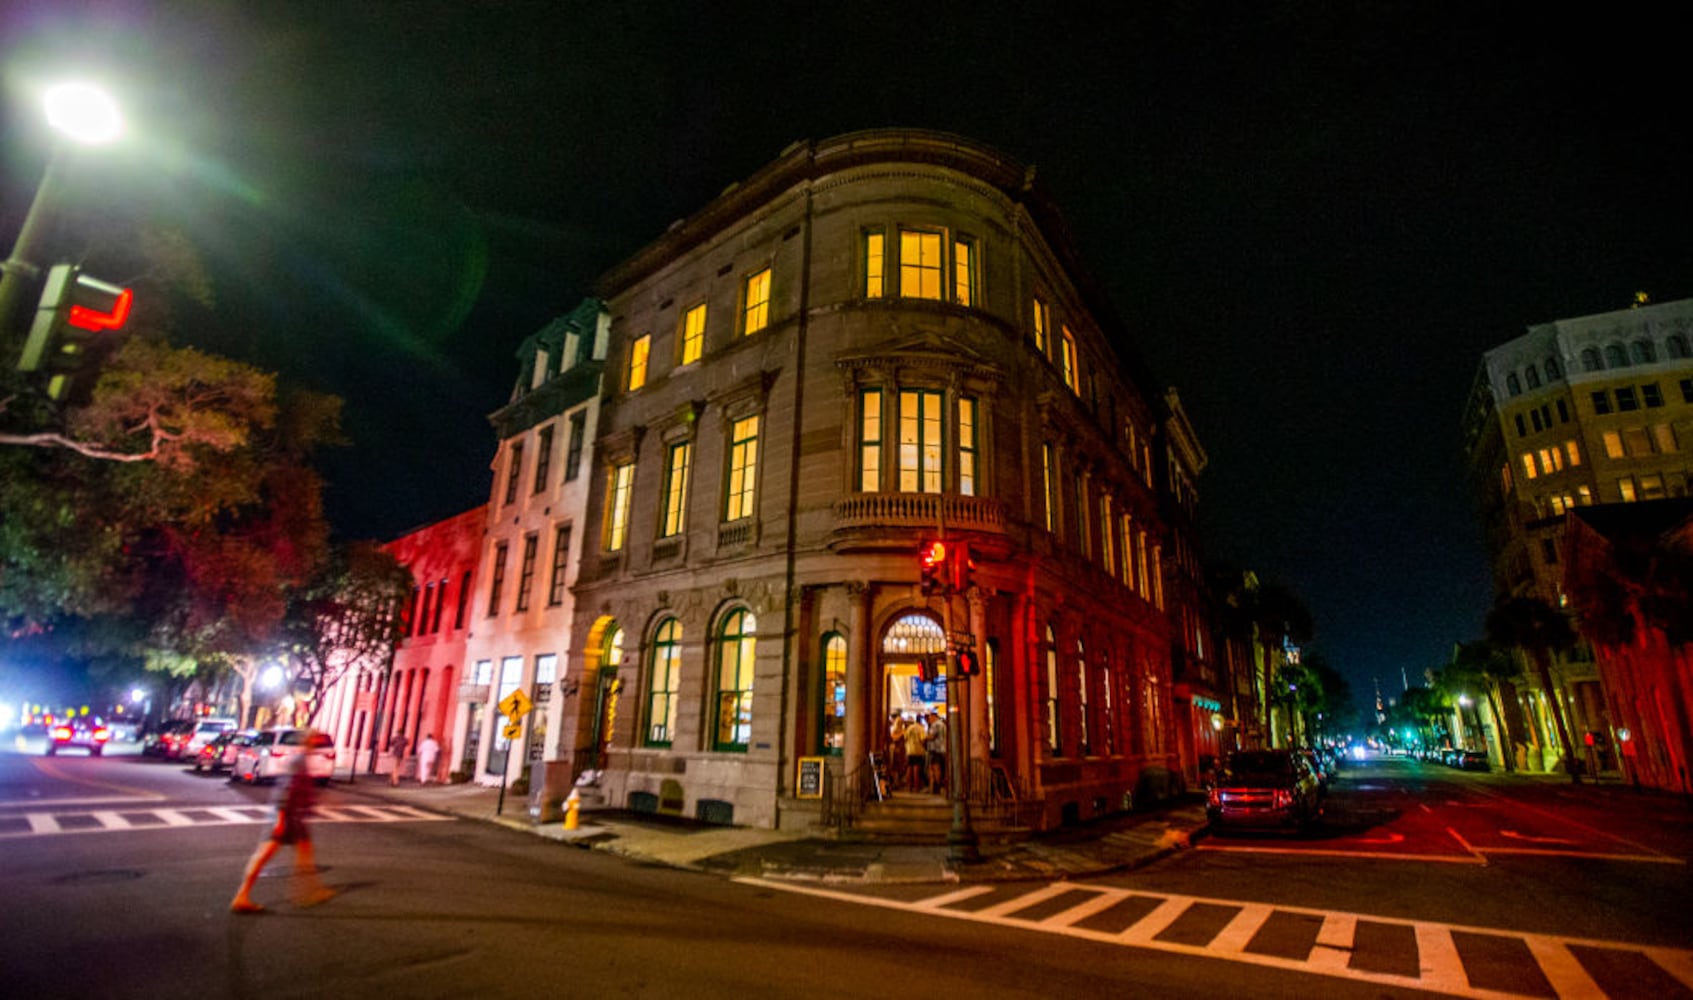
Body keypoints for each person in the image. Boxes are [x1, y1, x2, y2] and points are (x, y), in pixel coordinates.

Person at [230, 741, 335, 913]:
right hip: (287, 817)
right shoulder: (297, 762)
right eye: (316, 741)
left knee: (305, 853)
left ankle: (309, 891)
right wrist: (280, 818)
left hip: (294, 817)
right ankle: (242, 896)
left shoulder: (302, 761)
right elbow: (285, 790)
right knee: (264, 855)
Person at [901, 714, 927, 794]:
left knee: (909, 768)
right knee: (916, 768)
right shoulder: (921, 728)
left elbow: (905, 738)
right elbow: (922, 740)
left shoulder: (909, 728)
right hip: (918, 750)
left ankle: (909, 786)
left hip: (909, 750)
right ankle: (916, 787)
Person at [926, 711, 948, 794]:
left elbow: (931, 736)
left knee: (935, 768)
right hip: (941, 749)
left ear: (933, 717)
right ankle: (936, 786)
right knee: (938, 768)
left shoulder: (935, 725)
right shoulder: (943, 724)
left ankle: (936, 787)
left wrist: (925, 738)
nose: (929, 720)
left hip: (935, 749)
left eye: (929, 718)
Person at [887, 713, 908, 791]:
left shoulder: (896, 731)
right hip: (899, 751)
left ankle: (896, 783)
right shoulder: (901, 731)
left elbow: (893, 739)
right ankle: (896, 783)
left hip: (898, 751)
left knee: (896, 767)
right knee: (897, 767)